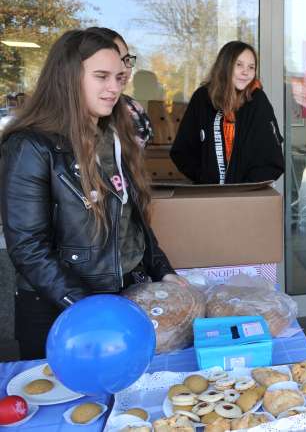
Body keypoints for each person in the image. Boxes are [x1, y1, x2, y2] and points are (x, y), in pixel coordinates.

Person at [0, 29, 185, 360]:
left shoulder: (115, 137)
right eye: (101, 76)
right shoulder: (30, 145)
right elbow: (28, 247)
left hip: (123, 300)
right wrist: (87, 305)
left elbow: (133, 221)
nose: (114, 88)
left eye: (118, 77)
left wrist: (163, 270)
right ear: (68, 78)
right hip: (61, 312)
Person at [170, 41, 284, 184]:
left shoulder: (257, 100)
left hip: (248, 197)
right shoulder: (202, 98)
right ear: (225, 65)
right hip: (208, 197)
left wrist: (245, 187)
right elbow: (182, 151)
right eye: (239, 65)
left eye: (251, 67)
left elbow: (272, 158)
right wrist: (204, 178)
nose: (245, 71)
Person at [85, 27, 154, 147]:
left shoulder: (134, 109)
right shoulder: (63, 118)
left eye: (127, 59)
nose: (124, 69)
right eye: (114, 60)